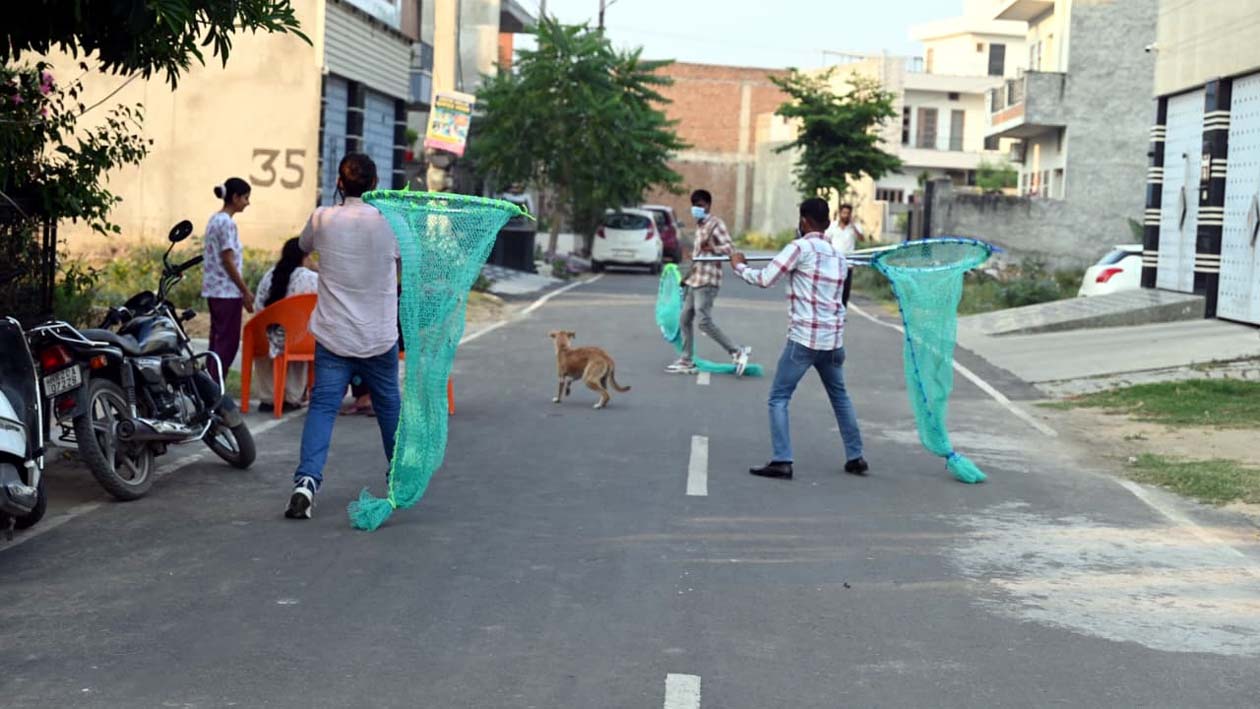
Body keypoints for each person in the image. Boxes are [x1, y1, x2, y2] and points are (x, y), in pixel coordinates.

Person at [285, 154, 402, 520]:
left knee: (322, 407)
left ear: (339, 182)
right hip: (378, 336)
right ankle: (399, 475)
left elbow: (303, 246)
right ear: (374, 183)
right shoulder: (392, 223)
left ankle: (306, 482)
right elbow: (402, 264)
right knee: (388, 407)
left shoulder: (322, 218)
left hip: (334, 335)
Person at [730, 196, 868, 481]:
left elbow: (766, 278)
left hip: (803, 340)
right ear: (828, 222)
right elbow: (839, 299)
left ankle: (782, 460)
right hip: (832, 341)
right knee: (840, 397)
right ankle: (856, 456)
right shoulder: (838, 257)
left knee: (778, 397)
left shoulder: (799, 248)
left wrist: (739, 266)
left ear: (804, 221)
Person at [666, 189, 751, 376]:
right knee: (685, 318)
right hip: (695, 279)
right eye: (695, 205)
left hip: (708, 279)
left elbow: (730, 248)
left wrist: (712, 248)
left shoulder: (715, 224)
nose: (697, 208)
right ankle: (686, 359)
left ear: (708, 206)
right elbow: (698, 254)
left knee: (703, 321)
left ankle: (736, 351)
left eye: (701, 205)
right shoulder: (700, 226)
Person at [252, 237, 320, 413]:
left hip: (266, 337)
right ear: (305, 256)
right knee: (302, 334)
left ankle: (268, 398)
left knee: (277, 336)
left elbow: (258, 307)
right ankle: (292, 397)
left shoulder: (270, 275)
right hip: (300, 341)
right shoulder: (312, 278)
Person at [201, 177, 256, 384]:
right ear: (235, 198)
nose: (247, 203)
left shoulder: (215, 219)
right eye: (245, 198)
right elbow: (227, 259)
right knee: (227, 343)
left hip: (214, 289)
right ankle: (216, 386)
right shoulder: (227, 223)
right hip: (227, 292)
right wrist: (244, 290)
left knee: (216, 341)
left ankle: (209, 384)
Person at [824, 203, 862, 307]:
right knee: (834, 286)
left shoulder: (854, 227)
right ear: (840, 213)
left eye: (848, 213)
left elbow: (861, 238)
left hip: (848, 262)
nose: (846, 215)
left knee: (845, 288)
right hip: (835, 261)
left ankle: (842, 309)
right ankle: (832, 308)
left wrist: (853, 225)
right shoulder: (833, 226)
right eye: (844, 213)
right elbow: (826, 239)